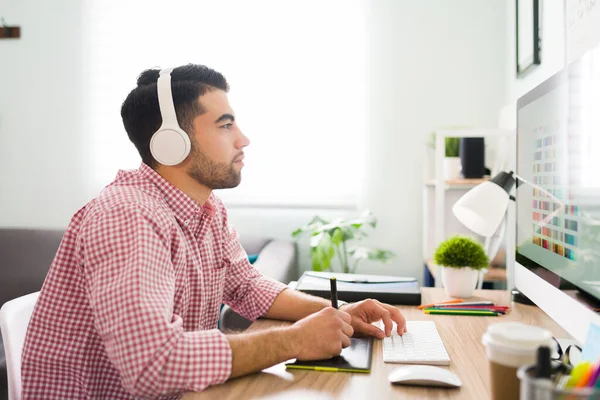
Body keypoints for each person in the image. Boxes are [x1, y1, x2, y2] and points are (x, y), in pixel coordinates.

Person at [21, 64, 407, 400]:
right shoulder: (128, 216)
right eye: (225, 125)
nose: (243, 138)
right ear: (171, 143)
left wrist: (335, 313)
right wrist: (294, 340)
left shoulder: (206, 209)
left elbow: (246, 286)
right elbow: (153, 365)